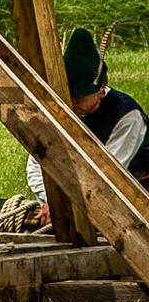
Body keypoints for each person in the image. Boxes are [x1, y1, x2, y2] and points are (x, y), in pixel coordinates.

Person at [27, 27, 149, 226]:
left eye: (81, 96)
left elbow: (108, 176)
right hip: (82, 198)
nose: (73, 103)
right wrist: (51, 199)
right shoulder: (62, 109)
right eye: (70, 95)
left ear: (101, 88)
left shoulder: (128, 117)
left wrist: (66, 202)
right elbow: (37, 161)